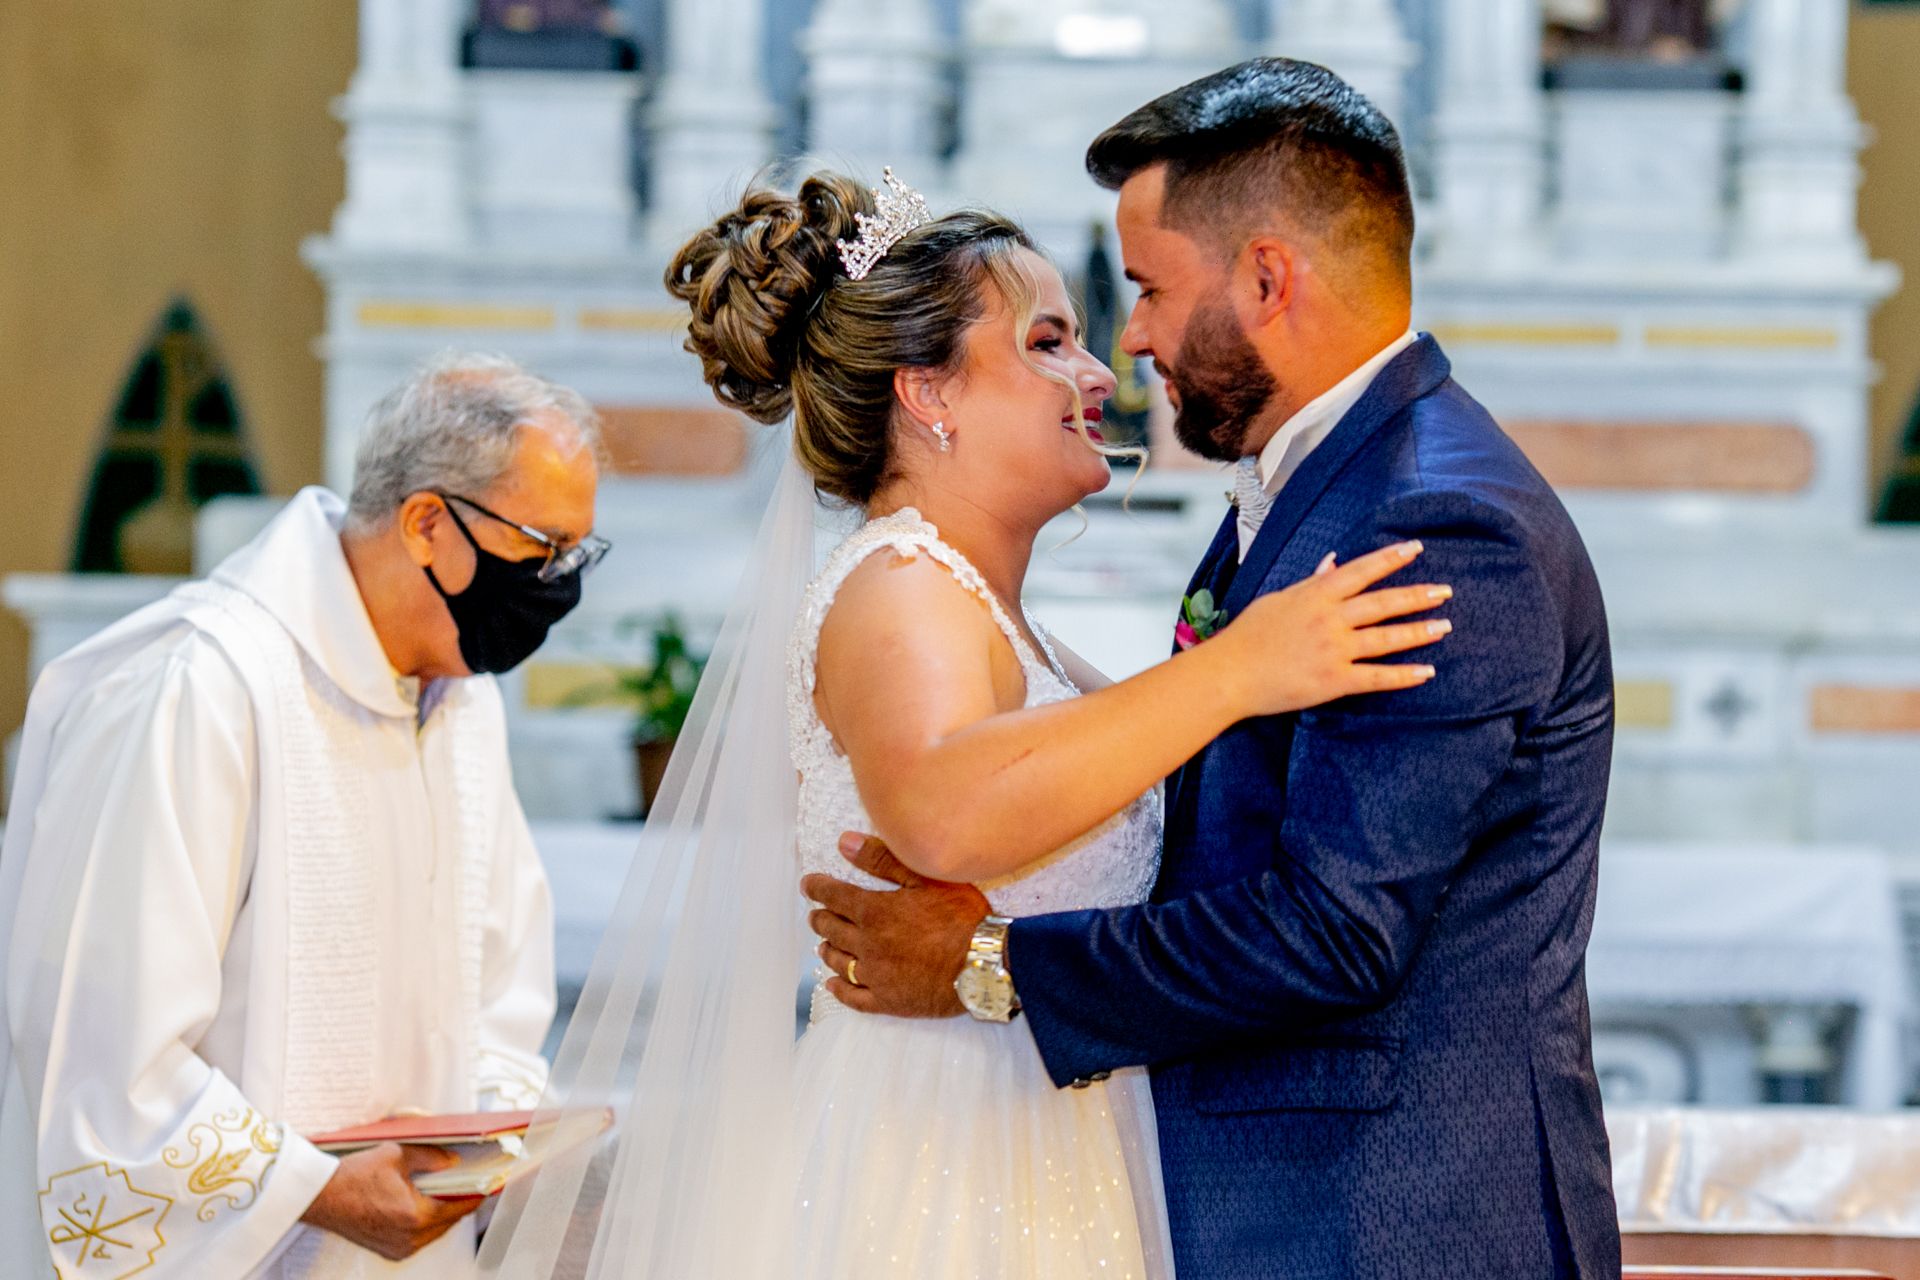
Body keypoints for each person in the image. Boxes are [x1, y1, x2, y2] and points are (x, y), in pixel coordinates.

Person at [481, 152, 1451, 1273]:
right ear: (925, 390)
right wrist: (1239, 670)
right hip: (940, 1174)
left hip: (1049, 1146)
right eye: (1046, 342)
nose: (1098, 371)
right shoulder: (896, 584)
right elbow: (945, 807)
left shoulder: (990, 612)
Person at [803, 59, 1623, 1280]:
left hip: (1389, 1223)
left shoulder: (1437, 515)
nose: (1123, 345)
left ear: (1267, 279)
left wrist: (993, 963)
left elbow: (1340, 928)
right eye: (1061, 334)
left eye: (1144, 290)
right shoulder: (1319, 487)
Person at [0, 353, 606, 1276]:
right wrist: (314, 1189)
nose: (560, 583)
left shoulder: (458, 701)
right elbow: (103, 1051)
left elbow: (499, 989)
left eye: (576, 554)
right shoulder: (199, 688)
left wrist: (478, 1143)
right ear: (428, 523)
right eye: (543, 547)